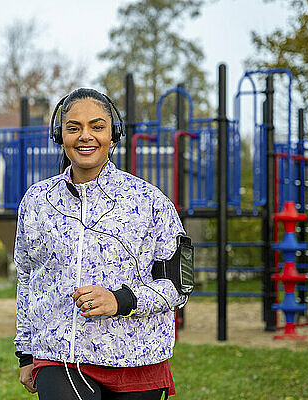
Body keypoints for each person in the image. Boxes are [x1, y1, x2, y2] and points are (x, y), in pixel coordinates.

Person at [14, 88, 188, 399]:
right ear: (60, 135)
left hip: (139, 358)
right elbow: (27, 279)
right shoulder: (36, 201)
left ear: (113, 134)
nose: (85, 136)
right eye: (73, 127)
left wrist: (120, 300)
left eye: (96, 126)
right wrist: (26, 354)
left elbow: (177, 287)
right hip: (61, 356)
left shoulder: (151, 202)